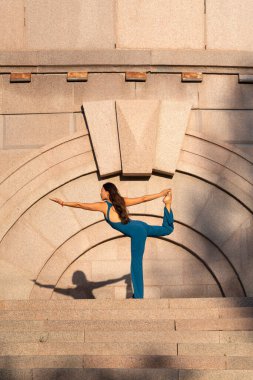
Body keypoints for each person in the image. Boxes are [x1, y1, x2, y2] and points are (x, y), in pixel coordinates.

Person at [49, 182, 174, 299]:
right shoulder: (121, 201)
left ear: (107, 192)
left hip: (137, 232)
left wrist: (63, 203)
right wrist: (161, 194)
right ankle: (167, 203)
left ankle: (139, 297)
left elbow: (80, 205)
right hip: (140, 225)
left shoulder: (104, 206)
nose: (100, 193)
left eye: (102, 190)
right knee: (167, 229)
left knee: (136, 262)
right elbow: (143, 198)